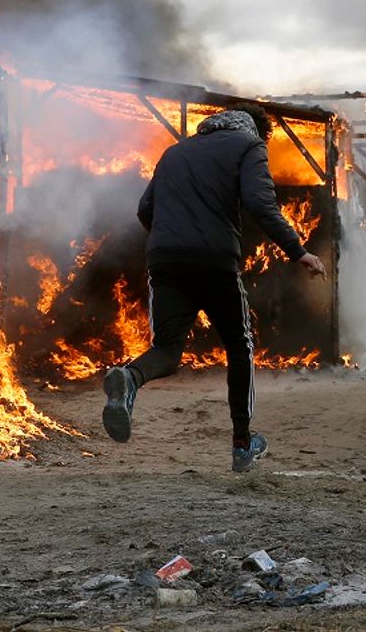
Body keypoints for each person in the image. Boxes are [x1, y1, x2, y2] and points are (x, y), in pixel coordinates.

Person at [101, 104, 327, 472]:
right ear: (255, 131)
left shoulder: (174, 151)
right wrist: (297, 251)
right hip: (214, 261)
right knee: (240, 345)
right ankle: (242, 443)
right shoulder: (248, 145)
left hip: (165, 259)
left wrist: (171, 242)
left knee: (167, 350)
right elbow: (260, 203)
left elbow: (145, 208)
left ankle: (130, 378)